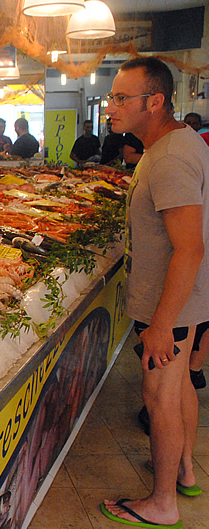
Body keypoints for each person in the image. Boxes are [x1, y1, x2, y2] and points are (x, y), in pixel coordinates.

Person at [102, 56, 209, 529]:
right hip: (189, 299)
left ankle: (162, 503)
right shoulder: (177, 143)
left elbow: (189, 248)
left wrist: (163, 324)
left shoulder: (169, 158)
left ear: (156, 101)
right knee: (181, 383)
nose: (111, 107)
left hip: (175, 302)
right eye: (112, 97)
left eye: (122, 98)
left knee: (159, 395)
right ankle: (183, 469)